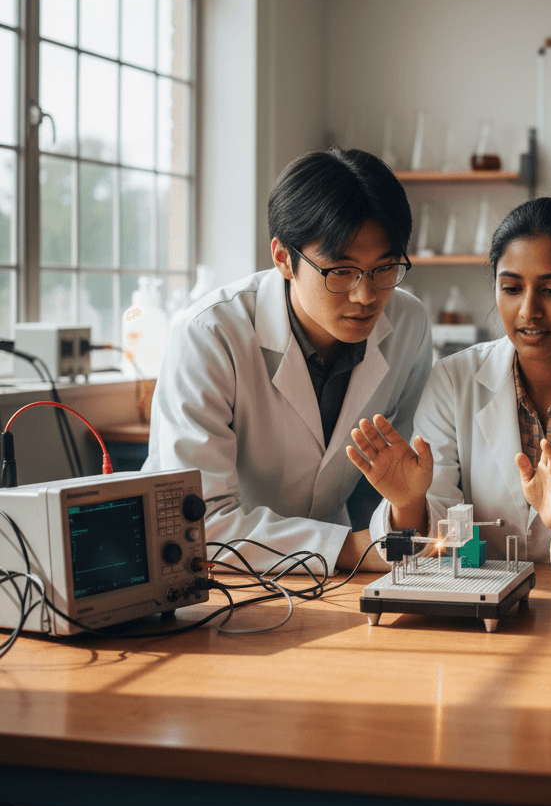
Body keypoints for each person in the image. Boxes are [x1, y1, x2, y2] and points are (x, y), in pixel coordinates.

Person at [347, 197, 551, 588]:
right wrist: (408, 504)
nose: (528, 310)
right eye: (511, 288)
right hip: (476, 608)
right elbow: (434, 536)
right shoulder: (454, 380)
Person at [144, 148, 431, 575]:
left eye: (384, 268)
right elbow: (198, 524)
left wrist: (397, 520)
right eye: (341, 271)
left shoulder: (407, 323)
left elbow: (396, 483)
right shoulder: (210, 334)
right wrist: (355, 550)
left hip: (335, 577)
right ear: (283, 258)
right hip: (217, 579)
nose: (366, 296)